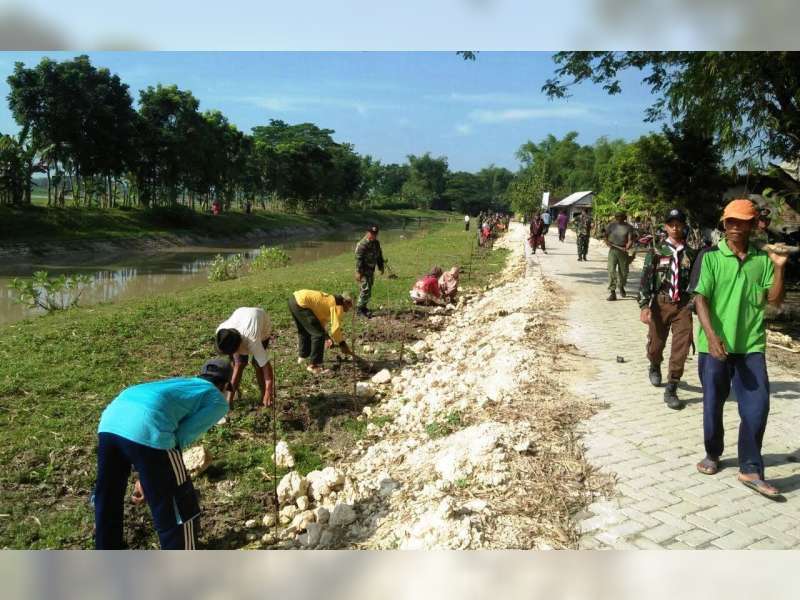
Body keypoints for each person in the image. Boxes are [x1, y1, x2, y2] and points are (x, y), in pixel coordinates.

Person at [691, 199, 787, 498]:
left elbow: (773, 300)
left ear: (752, 225)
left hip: (751, 346)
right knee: (713, 404)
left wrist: (780, 268)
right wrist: (711, 334)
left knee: (757, 408)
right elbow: (700, 299)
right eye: (730, 222)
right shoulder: (711, 257)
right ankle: (713, 452)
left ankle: (750, 468)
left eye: (741, 222)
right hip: (714, 346)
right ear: (724, 224)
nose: (734, 227)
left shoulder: (761, 259)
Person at [94, 359, 232, 549]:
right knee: (177, 501)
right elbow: (180, 437)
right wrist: (149, 476)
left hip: (110, 421)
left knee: (108, 495)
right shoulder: (216, 398)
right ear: (225, 385)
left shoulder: (183, 383)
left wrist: (146, 473)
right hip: (146, 428)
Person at [638, 208, 698, 410]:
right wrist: (644, 305)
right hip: (660, 304)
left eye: (678, 224)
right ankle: (654, 365)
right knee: (656, 345)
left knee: (681, 347)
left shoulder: (690, 253)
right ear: (665, 226)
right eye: (671, 224)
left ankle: (672, 386)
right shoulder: (656, 251)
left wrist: (695, 303)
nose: (675, 227)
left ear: (683, 226)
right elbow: (646, 278)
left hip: (682, 305)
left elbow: (696, 281)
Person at [215, 307, 275, 408]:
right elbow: (234, 361)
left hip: (261, 327)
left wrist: (269, 391)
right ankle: (228, 401)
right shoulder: (222, 333)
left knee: (258, 365)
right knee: (238, 365)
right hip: (241, 314)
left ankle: (265, 397)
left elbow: (265, 366)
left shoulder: (253, 339)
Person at [289, 290, 353, 374]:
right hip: (302, 303)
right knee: (318, 335)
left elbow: (319, 322)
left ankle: (302, 358)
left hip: (294, 299)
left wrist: (327, 337)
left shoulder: (330, 300)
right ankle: (314, 366)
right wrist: (342, 344)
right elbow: (335, 329)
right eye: (349, 305)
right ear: (344, 301)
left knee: (304, 330)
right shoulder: (338, 305)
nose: (348, 309)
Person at [355, 224, 385, 318]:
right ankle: (359, 309)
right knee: (365, 289)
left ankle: (364, 307)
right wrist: (358, 272)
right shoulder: (362, 244)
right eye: (372, 233)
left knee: (369, 289)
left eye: (375, 234)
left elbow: (379, 255)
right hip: (363, 270)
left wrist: (381, 267)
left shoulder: (376, 243)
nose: (374, 235)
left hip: (371, 270)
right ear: (367, 233)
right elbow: (359, 259)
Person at [603, 211, 635, 300]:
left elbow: (630, 239)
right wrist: (607, 242)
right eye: (617, 216)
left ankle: (621, 286)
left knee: (624, 272)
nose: (619, 218)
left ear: (624, 217)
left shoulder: (628, 227)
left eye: (621, 216)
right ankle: (612, 292)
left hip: (623, 251)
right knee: (611, 270)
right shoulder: (611, 226)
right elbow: (605, 237)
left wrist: (628, 245)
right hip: (613, 250)